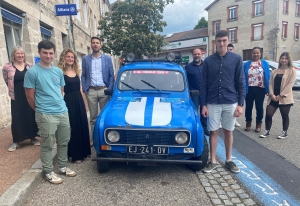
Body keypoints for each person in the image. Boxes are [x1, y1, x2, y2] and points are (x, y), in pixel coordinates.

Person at [24, 40, 76, 184]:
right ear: (39, 53)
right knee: (47, 144)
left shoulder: (58, 71)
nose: (48, 56)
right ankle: (48, 171)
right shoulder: (32, 72)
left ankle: (63, 167)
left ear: (54, 54)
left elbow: (61, 90)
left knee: (63, 141)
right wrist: (40, 110)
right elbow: (29, 96)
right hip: (45, 113)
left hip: (62, 111)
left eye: (51, 53)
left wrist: (58, 105)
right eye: (45, 53)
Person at [200, 30, 245, 173]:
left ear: (228, 41)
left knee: (228, 132)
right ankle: (212, 161)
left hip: (230, 101)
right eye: (219, 41)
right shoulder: (208, 61)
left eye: (224, 41)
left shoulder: (236, 59)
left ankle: (229, 160)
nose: (222, 43)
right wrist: (203, 105)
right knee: (213, 132)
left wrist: (240, 104)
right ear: (215, 43)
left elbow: (240, 82)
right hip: (212, 102)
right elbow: (203, 85)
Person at [2, 46, 40, 152]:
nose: (20, 55)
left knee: (30, 114)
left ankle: (33, 137)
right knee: (17, 116)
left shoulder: (30, 66)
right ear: (13, 55)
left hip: (29, 93)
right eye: (18, 53)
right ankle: (16, 141)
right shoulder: (7, 67)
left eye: (22, 53)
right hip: (16, 94)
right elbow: (6, 79)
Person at [58, 48, 91, 163]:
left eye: (72, 57)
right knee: (74, 127)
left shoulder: (77, 71)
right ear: (64, 58)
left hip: (78, 99)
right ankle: (76, 155)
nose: (70, 59)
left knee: (83, 125)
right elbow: (60, 91)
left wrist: (85, 104)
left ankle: (85, 152)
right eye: (68, 57)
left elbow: (81, 89)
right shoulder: (60, 73)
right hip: (68, 101)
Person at [81, 36, 114, 146]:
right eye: (93, 43)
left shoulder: (107, 59)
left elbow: (111, 75)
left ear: (100, 45)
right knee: (93, 117)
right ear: (91, 45)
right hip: (91, 91)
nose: (95, 44)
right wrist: (85, 89)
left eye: (97, 43)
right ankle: (94, 139)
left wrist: (109, 88)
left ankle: (104, 139)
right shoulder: (86, 59)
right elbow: (84, 75)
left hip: (104, 90)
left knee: (104, 116)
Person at [260, 52, 296, 139]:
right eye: (282, 58)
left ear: (288, 60)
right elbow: (270, 84)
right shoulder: (274, 71)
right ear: (279, 59)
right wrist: (271, 94)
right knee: (268, 114)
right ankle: (267, 131)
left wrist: (281, 95)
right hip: (273, 96)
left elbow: (290, 85)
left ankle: (284, 132)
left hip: (284, 97)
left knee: (284, 115)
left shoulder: (292, 71)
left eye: (286, 59)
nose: (283, 60)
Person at [243, 47, 270, 132]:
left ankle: (258, 124)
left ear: (260, 53)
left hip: (260, 89)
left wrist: (267, 89)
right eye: (254, 53)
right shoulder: (247, 64)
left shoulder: (264, 63)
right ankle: (248, 123)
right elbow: (243, 76)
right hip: (249, 88)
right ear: (252, 54)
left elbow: (268, 76)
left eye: (257, 53)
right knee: (248, 107)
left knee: (259, 107)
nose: (256, 54)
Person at [185, 48, 209, 136]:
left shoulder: (206, 65)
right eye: (195, 54)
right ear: (193, 55)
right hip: (194, 93)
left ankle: (205, 128)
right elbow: (185, 81)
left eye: (198, 54)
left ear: (201, 54)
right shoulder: (188, 67)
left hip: (205, 93)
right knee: (194, 112)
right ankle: (194, 128)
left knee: (205, 112)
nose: (197, 56)